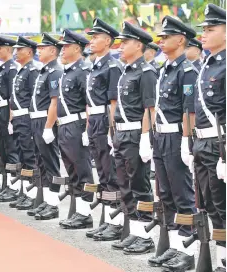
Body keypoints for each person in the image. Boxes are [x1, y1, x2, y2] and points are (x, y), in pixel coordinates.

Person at [146, 16, 198, 270]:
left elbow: (190, 112)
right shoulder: (164, 69)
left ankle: (188, 251)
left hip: (177, 136)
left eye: (166, 37)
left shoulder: (187, 71)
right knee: (166, 194)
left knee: (182, 194)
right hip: (161, 136)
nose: (161, 41)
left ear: (180, 40)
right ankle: (176, 247)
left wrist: (187, 142)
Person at [112, 21, 156, 254]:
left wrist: (146, 137)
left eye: (125, 42)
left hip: (136, 132)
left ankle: (146, 236)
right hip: (122, 132)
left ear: (138, 45)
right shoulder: (126, 71)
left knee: (140, 184)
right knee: (126, 185)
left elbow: (150, 109)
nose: (120, 45)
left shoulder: (146, 72)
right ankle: (135, 231)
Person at [188, 4, 226, 271]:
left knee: (224, 204)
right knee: (210, 204)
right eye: (203, 29)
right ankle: (222, 257)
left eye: (210, 29)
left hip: (220, 144)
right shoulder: (205, 65)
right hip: (203, 143)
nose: (203, 34)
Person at [84, 18, 123, 240]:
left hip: (106, 120)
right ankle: (108, 219)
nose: (92, 41)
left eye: (96, 37)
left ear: (107, 41)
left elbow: (113, 103)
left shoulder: (112, 66)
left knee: (110, 172)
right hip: (95, 120)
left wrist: (111, 131)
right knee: (101, 171)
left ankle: (116, 222)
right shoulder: (96, 65)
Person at [56, 29, 95, 229]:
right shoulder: (67, 71)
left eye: (65, 46)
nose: (62, 50)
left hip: (77, 125)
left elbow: (89, 102)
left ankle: (85, 213)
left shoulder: (83, 71)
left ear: (77, 48)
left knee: (82, 170)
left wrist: (88, 130)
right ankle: (78, 210)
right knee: (72, 171)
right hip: (65, 125)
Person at [27, 33, 63, 220]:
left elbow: (54, 102)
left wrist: (49, 127)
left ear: (52, 50)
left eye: (42, 48)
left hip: (45, 121)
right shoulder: (44, 71)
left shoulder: (55, 71)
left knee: (50, 162)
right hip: (36, 119)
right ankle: (46, 200)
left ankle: (53, 203)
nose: (39, 51)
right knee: (40, 162)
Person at [9, 36, 39, 209]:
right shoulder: (22, 70)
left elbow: (34, 98)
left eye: (20, 49)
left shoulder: (32, 70)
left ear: (29, 51)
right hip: (19, 117)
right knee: (22, 154)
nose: (16, 52)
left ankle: (33, 193)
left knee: (30, 155)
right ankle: (26, 191)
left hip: (27, 117)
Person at [0, 35, 20, 202]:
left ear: (8, 50)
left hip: (7, 109)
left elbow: (12, 96)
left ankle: (13, 185)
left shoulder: (12, 69)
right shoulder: (2, 68)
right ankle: (6, 183)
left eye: (0, 48)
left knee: (11, 148)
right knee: (1, 147)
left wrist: (10, 119)